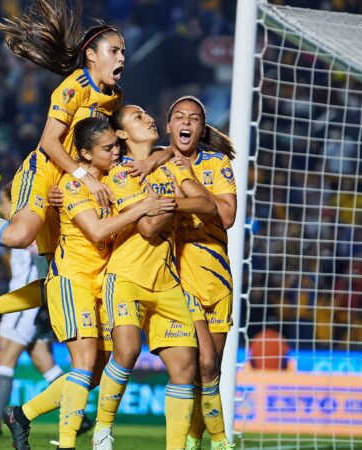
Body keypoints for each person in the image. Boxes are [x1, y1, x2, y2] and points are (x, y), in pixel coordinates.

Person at [0, 0, 168, 351]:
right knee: (18, 235)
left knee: (64, 277)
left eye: (123, 52)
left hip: (70, 186)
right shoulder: (71, 89)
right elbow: (49, 142)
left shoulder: (114, 96)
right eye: (114, 50)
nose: (121, 58)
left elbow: (106, 146)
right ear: (91, 54)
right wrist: (83, 179)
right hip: (44, 171)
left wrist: (151, 159)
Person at [1, 117, 177, 450]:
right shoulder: (71, 185)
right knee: (82, 366)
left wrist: (158, 157)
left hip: (102, 284)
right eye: (107, 148)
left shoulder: (114, 176)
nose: (115, 152)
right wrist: (143, 206)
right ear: (85, 153)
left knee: (94, 373)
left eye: (116, 145)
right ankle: (67, 444)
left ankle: (21, 415)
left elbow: (163, 153)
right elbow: (97, 231)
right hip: (73, 280)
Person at [92, 105, 216, 450]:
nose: (148, 118)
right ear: (121, 134)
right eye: (136, 117)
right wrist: (175, 201)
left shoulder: (171, 167)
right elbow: (146, 227)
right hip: (128, 275)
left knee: (184, 368)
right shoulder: (120, 175)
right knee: (128, 351)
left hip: (167, 281)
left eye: (146, 115)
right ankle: (102, 431)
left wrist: (164, 200)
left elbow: (210, 208)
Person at [0, 183, 77, 437]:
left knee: (5, 357)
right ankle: (80, 416)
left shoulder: (27, 228)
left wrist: (41, 308)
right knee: (44, 362)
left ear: (13, 202)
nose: (1, 207)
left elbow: (38, 258)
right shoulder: (26, 226)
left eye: (3, 202)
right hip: (34, 306)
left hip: (24, 306)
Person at [164, 96, 237, 450]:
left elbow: (226, 216)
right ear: (169, 126)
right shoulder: (158, 165)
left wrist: (188, 188)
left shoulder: (217, 163)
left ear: (202, 129)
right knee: (202, 363)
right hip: (179, 278)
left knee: (212, 371)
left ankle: (194, 438)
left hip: (217, 278)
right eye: (179, 116)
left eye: (193, 118)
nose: (186, 122)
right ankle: (221, 441)